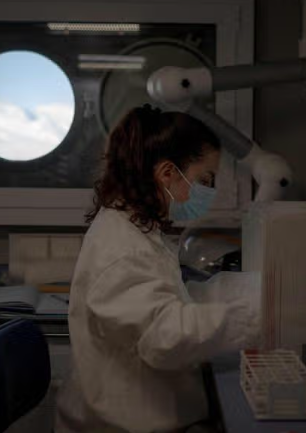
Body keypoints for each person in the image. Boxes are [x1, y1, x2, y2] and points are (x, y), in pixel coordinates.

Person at [55, 105, 260, 433]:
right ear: (167, 173)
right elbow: (165, 337)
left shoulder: (136, 228)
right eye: (204, 180)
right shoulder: (123, 246)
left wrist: (256, 291)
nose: (208, 191)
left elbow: (172, 299)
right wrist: (255, 315)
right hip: (121, 425)